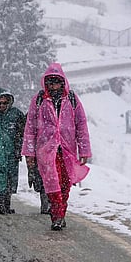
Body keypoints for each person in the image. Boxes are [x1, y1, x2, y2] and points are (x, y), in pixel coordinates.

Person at [23, 63, 92, 231]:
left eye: (57, 82)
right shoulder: (39, 100)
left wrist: (84, 149)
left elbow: (81, 125)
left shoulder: (72, 100)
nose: (53, 86)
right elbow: (30, 127)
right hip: (46, 150)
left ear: (63, 82)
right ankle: (57, 216)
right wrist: (29, 153)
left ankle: (61, 212)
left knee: (65, 184)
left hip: (67, 149)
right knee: (52, 183)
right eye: (50, 83)